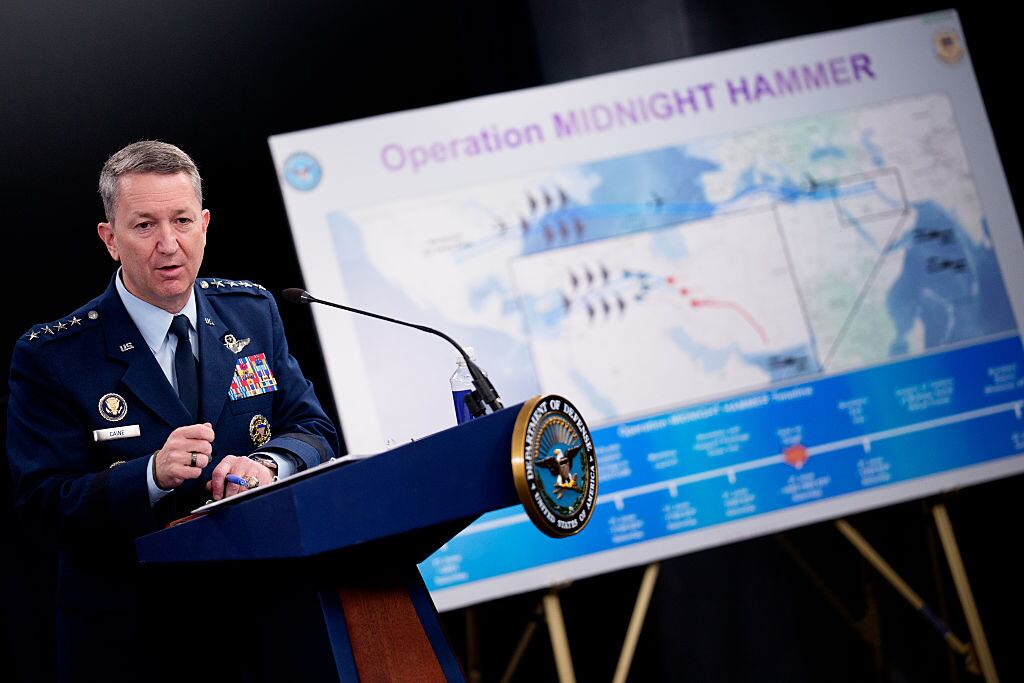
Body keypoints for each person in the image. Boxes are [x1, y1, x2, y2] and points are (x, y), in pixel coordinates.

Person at [5, 140, 339, 679]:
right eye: (144, 226)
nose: (169, 244)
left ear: (204, 224)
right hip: (136, 639)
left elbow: (313, 428)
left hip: (267, 619)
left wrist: (269, 465)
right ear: (109, 238)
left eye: (182, 220)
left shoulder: (251, 313)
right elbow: (40, 505)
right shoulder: (53, 355)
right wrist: (149, 476)